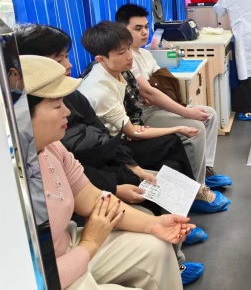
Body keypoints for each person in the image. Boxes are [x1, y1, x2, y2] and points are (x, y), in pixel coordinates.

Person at [13, 24, 208, 284]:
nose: (68, 65)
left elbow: (93, 187)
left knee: (157, 226)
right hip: (60, 263)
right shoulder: (13, 181)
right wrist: (92, 238)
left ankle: (186, 216)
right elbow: (42, 277)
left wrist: (149, 216)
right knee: (166, 162)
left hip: (90, 208)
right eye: (57, 106)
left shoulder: (53, 146)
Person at [77, 21, 230, 213]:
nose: (129, 56)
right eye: (121, 52)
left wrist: (134, 125)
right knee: (178, 138)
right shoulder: (100, 90)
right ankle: (192, 194)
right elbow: (131, 129)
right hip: (113, 146)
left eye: (128, 49)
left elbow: (134, 109)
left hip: (126, 130)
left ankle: (194, 190)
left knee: (176, 141)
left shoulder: (121, 69)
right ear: (101, 59)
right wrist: (177, 127)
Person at [115, 4, 232, 189]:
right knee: (195, 127)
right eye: (137, 28)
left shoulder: (145, 54)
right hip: (144, 114)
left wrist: (156, 94)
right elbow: (148, 92)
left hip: (156, 107)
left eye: (146, 27)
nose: (144, 32)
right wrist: (186, 112)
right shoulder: (128, 58)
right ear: (122, 31)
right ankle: (198, 188)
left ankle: (206, 170)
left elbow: (161, 83)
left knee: (209, 114)